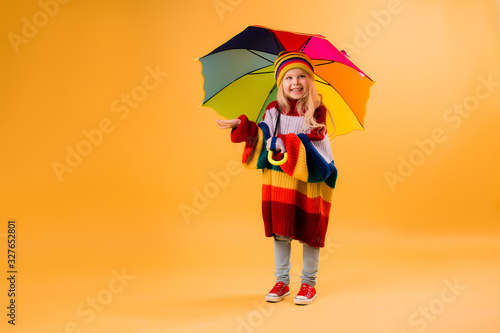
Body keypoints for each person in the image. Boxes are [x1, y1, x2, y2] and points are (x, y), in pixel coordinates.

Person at [217, 51, 338, 305]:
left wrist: (284, 142)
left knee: (308, 230)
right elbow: (261, 136)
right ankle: (282, 281)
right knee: (281, 232)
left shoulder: (316, 111)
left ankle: (308, 284)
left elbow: (315, 142)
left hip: (307, 181)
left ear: (310, 81)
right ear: (280, 83)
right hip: (280, 181)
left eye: (301, 76)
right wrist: (241, 126)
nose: (295, 82)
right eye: (288, 77)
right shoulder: (274, 110)